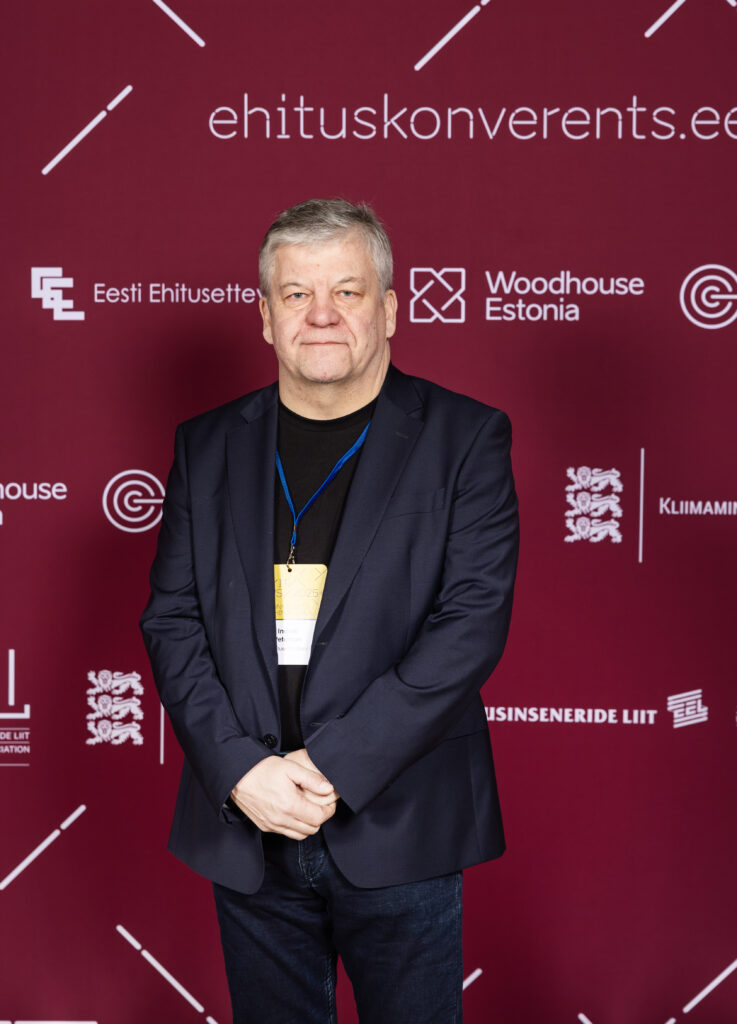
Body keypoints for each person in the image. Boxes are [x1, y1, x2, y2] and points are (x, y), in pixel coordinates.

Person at [140, 198, 519, 1023]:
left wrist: (332, 767)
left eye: (346, 292)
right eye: (296, 294)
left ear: (389, 309)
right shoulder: (207, 444)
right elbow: (172, 620)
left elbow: (470, 624)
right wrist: (242, 772)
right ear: (265, 317)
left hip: (400, 819)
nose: (320, 315)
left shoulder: (464, 438)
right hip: (249, 820)